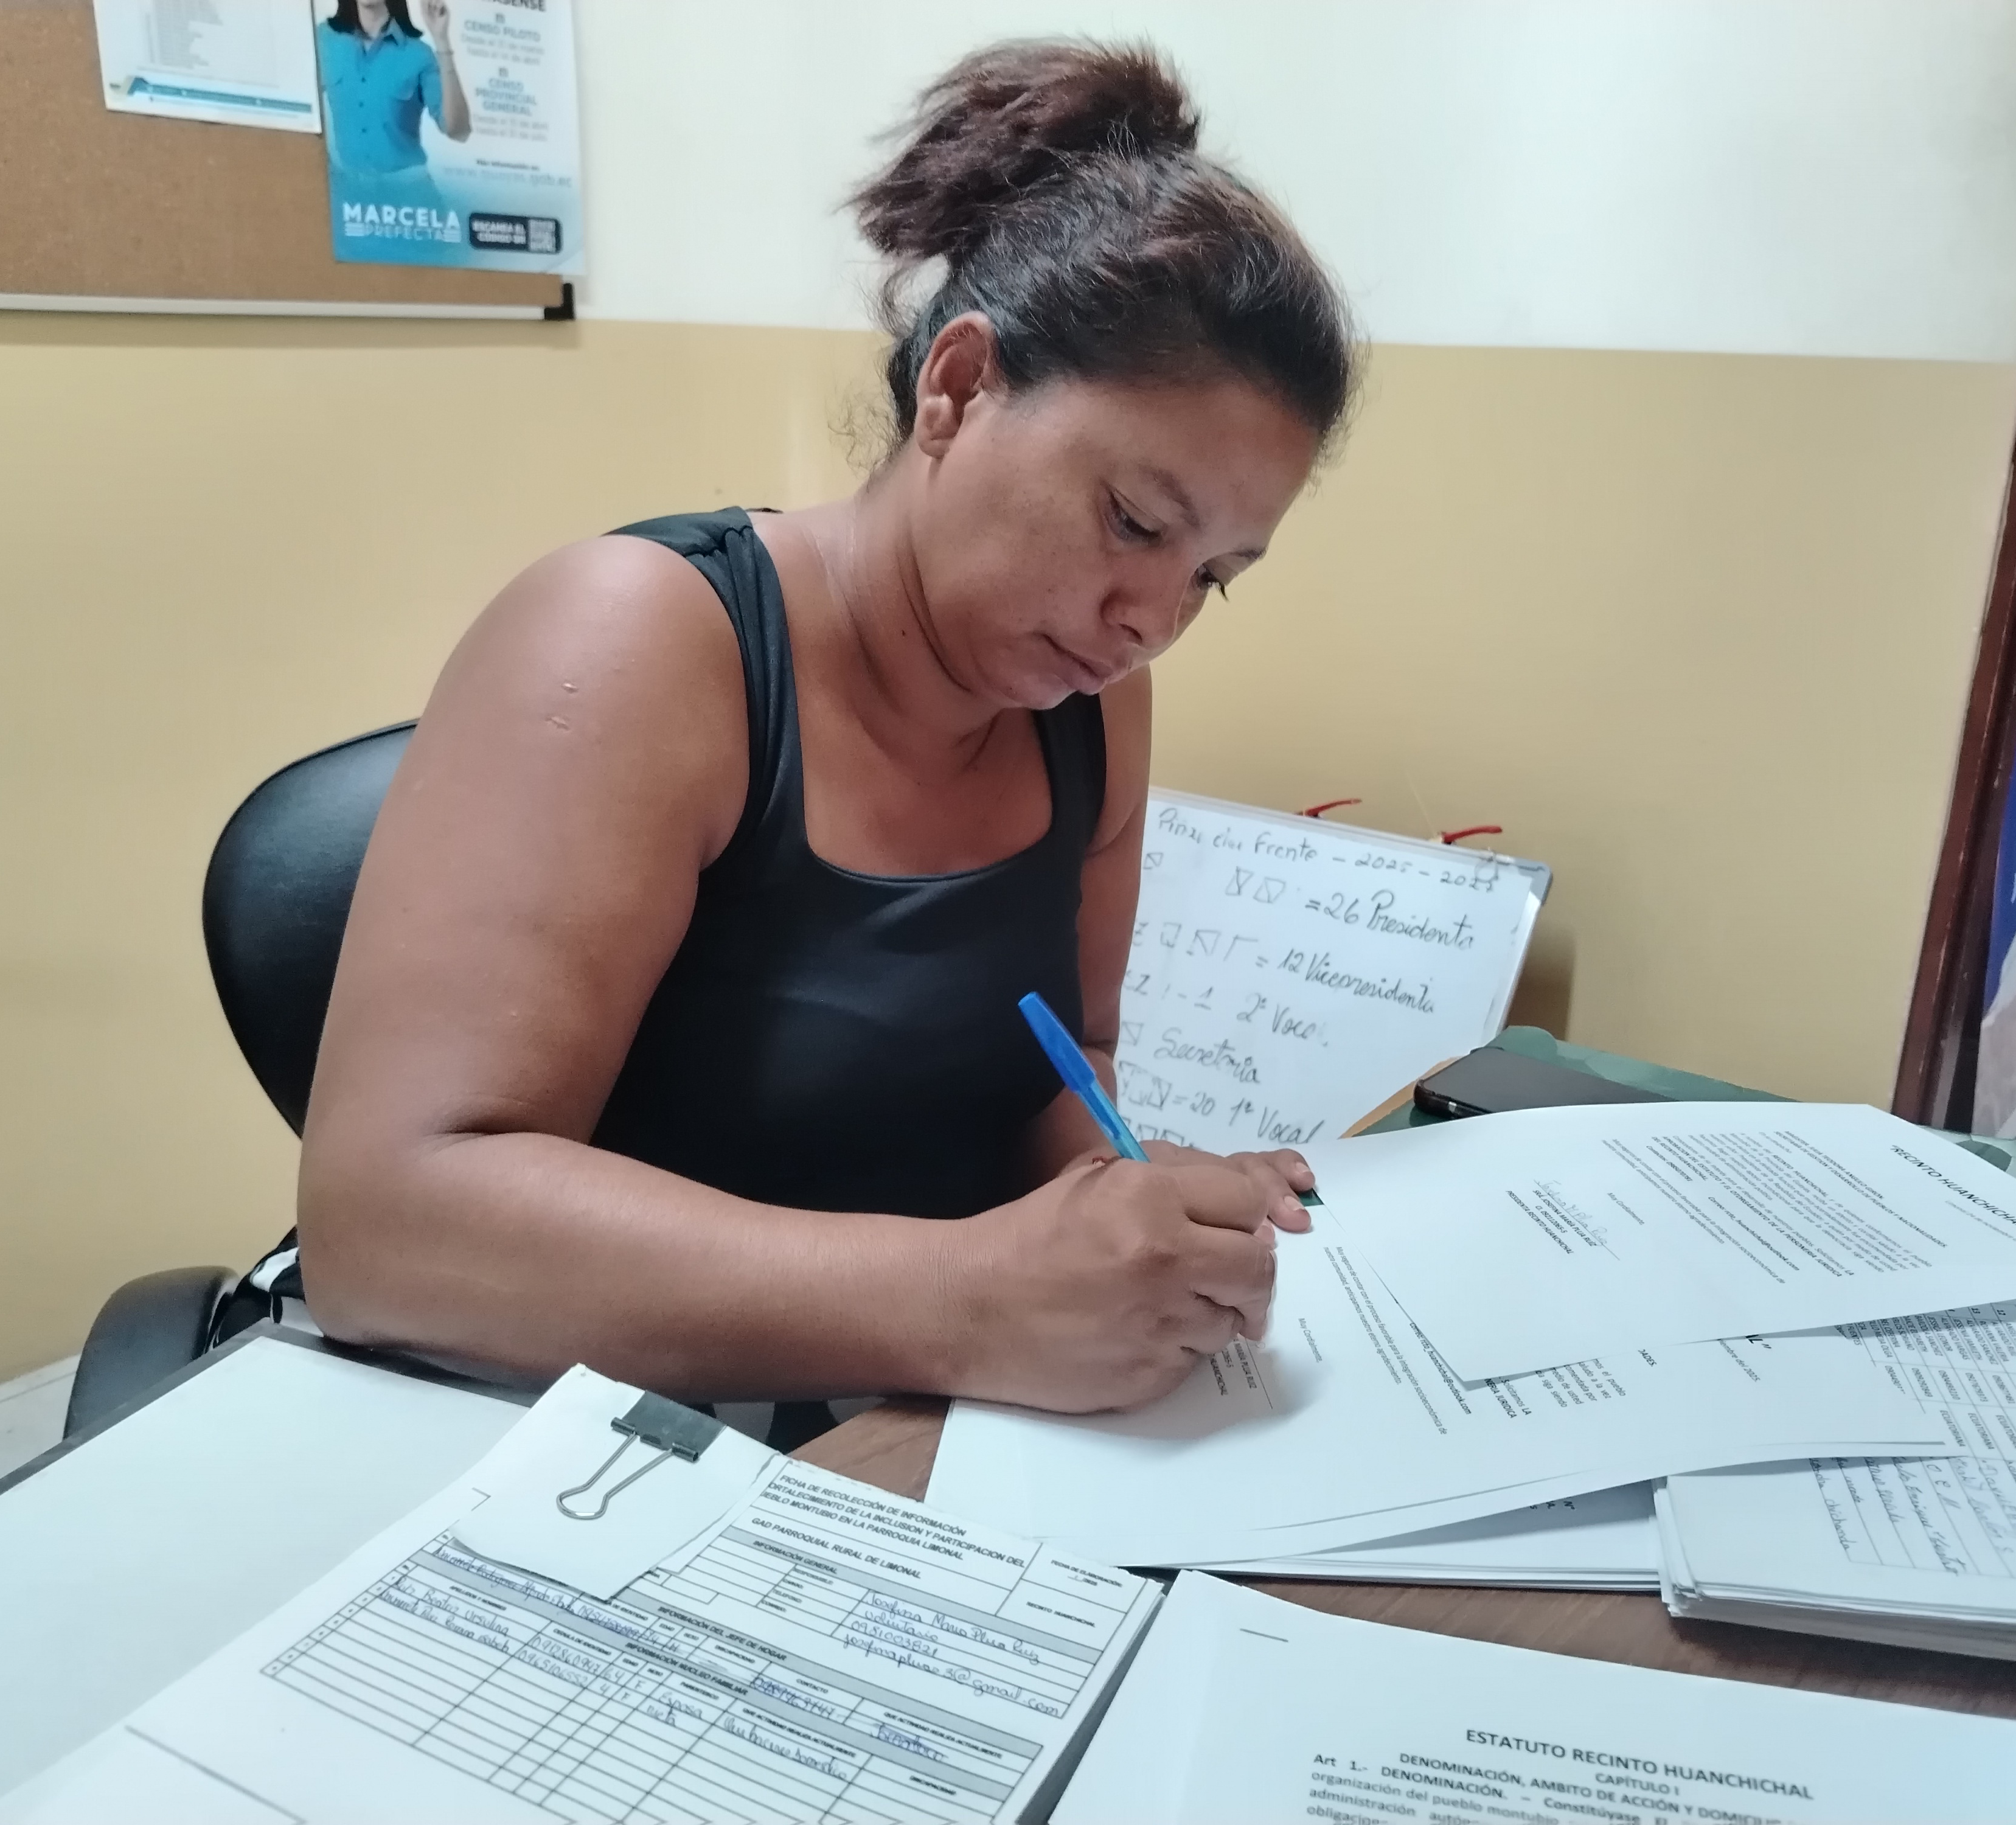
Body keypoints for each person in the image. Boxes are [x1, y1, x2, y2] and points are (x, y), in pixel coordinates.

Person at [297, 40, 1357, 1419]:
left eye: (1212, 575)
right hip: (569, 1424)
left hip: (898, 1418)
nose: (1149, 620)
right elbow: (386, 1229)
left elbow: (1062, 1072)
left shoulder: (1093, 705)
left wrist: (1127, 1206)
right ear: (959, 389)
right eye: (1133, 521)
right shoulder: (643, 641)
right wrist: (968, 1303)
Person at [315, 0, 470, 191]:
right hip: (347, 194)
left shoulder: (419, 54)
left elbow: (457, 129)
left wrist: (442, 40)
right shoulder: (324, 39)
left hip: (408, 194)